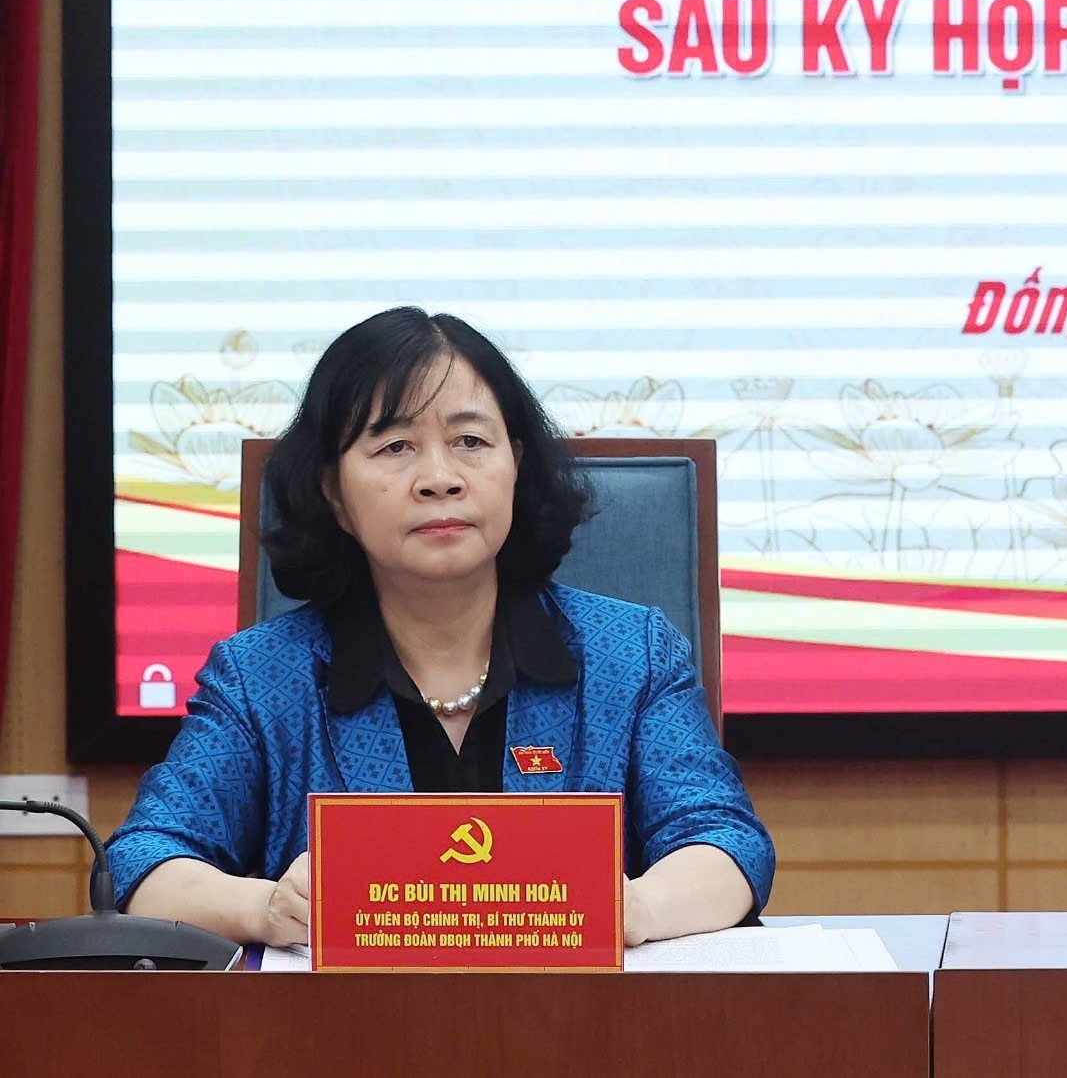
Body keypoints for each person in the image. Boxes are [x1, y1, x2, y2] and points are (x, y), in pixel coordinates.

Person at [106, 307, 774, 948]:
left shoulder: (630, 654)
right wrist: (265, 907)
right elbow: (141, 860)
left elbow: (727, 842)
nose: (439, 478)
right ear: (334, 492)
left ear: (515, 465)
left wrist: (639, 906)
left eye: (470, 442)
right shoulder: (261, 678)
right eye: (395, 446)